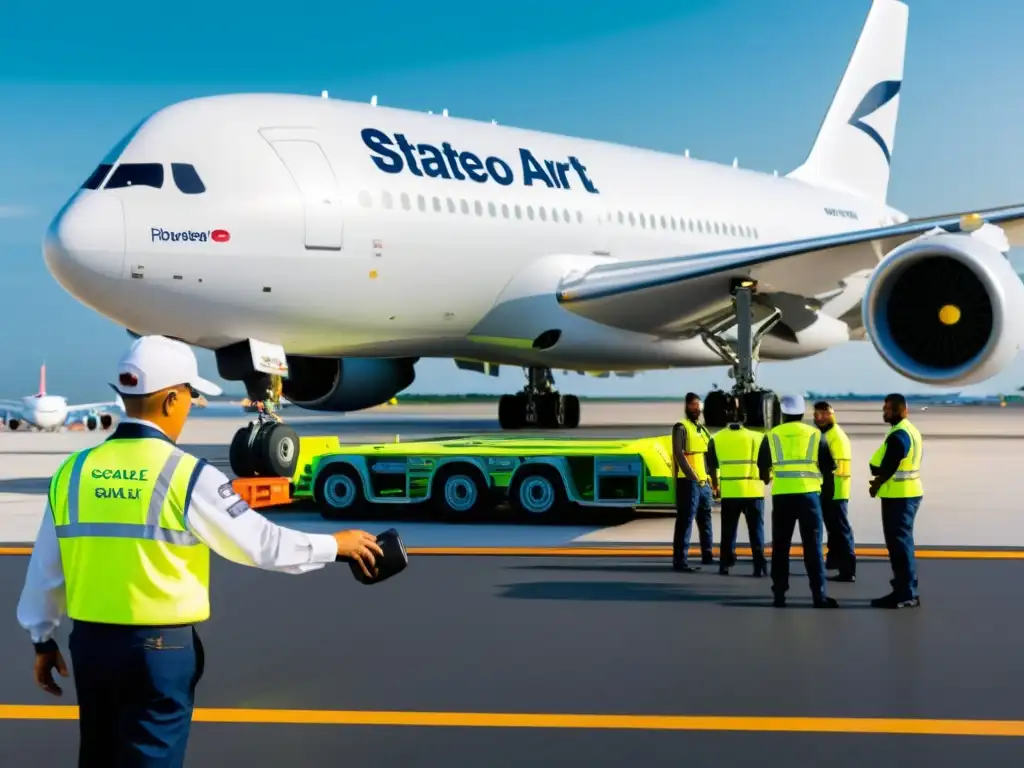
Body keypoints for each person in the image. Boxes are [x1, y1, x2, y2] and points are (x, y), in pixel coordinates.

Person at [16, 334, 385, 767]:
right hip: (159, 652)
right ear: (172, 400)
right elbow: (262, 545)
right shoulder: (187, 475)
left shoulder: (72, 473)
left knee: (99, 756)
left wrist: (42, 640)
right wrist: (334, 545)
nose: (190, 406)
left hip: (92, 647)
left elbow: (45, 570)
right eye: (190, 395)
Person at [759, 394, 838, 608]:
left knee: (781, 547)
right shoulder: (815, 435)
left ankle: (779, 595)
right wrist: (826, 498)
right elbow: (829, 469)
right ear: (803, 413)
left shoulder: (772, 435)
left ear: (783, 414)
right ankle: (819, 596)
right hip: (809, 497)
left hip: (783, 497)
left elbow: (762, 469)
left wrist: (771, 478)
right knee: (812, 547)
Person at [868, 393, 923, 609]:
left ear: (900, 410)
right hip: (908, 493)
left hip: (900, 496)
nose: (884, 412)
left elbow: (891, 463)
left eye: (887, 409)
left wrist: (877, 483)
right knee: (903, 544)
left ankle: (905, 593)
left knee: (899, 546)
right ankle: (906, 589)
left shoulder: (899, 435)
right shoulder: (910, 430)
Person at [706, 395, 767, 577]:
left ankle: (725, 564)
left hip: (730, 492)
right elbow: (765, 465)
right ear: (745, 417)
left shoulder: (716, 439)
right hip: (753, 491)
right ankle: (759, 565)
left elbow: (711, 466)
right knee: (756, 531)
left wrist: (716, 486)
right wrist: (765, 478)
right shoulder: (758, 437)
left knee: (728, 531)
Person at [813, 400, 856, 582]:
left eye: (824, 414)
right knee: (835, 530)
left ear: (832, 415)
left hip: (835, 490)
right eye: (817, 414)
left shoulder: (834, 436)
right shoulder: (828, 434)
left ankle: (848, 570)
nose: (820, 418)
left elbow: (834, 468)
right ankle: (835, 562)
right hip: (832, 489)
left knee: (841, 530)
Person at [671, 392, 715, 571]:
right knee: (686, 519)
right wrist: (691, 475)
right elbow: (678, 453)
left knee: (705, 518)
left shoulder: (702, 429)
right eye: (694, 406)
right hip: (688, 482)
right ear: (687, 406)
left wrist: (712, 479)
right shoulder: (681, 427)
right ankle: (680, 559)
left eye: (699, 406)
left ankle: (708, 554)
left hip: (704, 483)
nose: (697, 409)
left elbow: (708, 456)